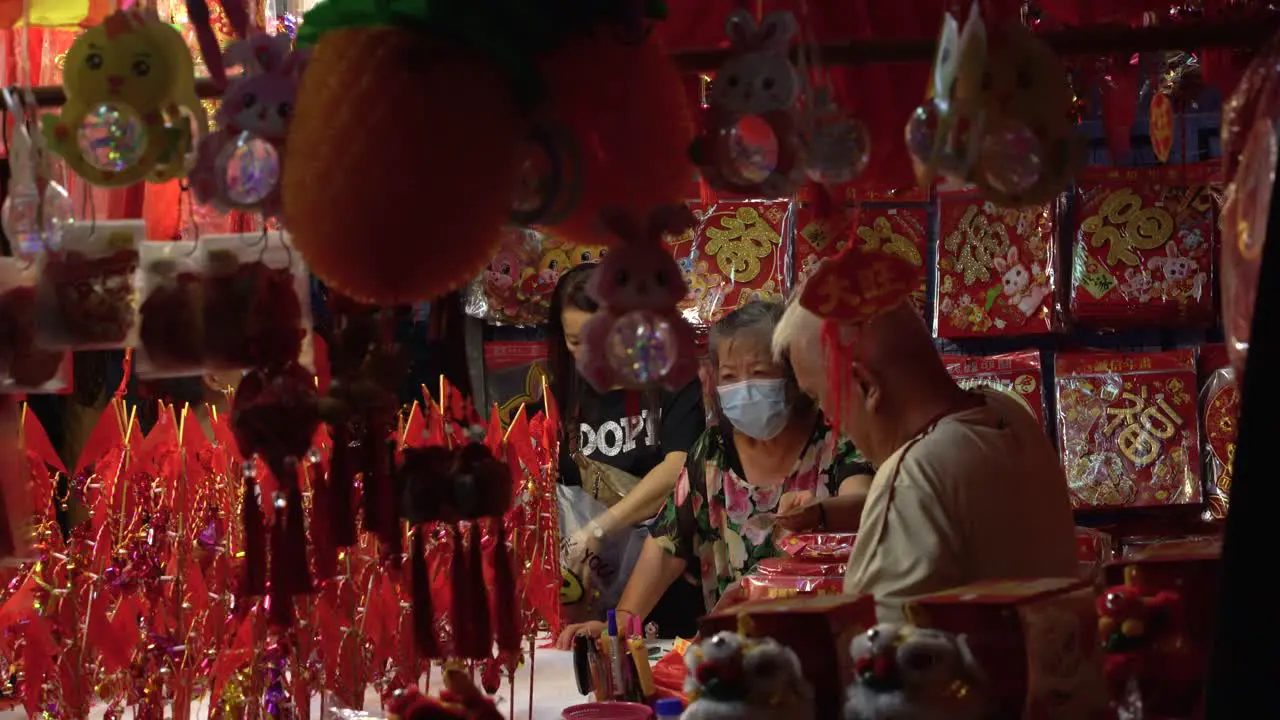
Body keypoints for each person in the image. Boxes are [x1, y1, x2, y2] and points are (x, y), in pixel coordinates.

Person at [555, 300, 870, 649]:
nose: (745, 388)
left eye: (760, 373)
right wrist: (622, 624)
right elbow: (666, 547)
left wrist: (823, 514)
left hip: (828, 649)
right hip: (731, 658)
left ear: (794, 376)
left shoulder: (837, 439)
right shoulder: (712, 452)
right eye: (731, 377)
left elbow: (864, 503)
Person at [771, 296, 1078, 623]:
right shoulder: (1006, 412)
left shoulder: (913, 476)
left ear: (865, 385)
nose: (828, 416)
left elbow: (877, 659)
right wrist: (823, 513)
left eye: (820, 396)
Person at [548, 263, 706, 638]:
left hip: (666, 593)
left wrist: (600, 529)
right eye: (575, 342)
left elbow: (677, 470)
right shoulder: (558, 399)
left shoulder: (674, 382)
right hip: (587, 597)